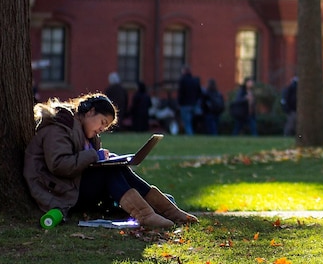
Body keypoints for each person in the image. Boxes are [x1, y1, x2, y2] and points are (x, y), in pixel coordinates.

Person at [23, 93, 197, 228]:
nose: (101, 129)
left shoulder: (83, 132)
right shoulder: (60, 128)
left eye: (105, 126)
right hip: (59, 193)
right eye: (102, 122)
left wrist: (104, 158)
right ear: (90, 112)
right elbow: (59, 165)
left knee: (118, 168)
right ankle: (145, 215)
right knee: (108, 171)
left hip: (71, 186)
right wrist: (94, 156)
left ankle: (169, 211)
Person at [176, 67, 203, 136]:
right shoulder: (195, 80)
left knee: (187, 121)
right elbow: (199, 93)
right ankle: (192, 133)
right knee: (192, 121)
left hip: (185, 104)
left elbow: (181, 93)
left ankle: (189, 134)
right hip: (194, 104)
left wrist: (179, 103)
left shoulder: (183, 81)